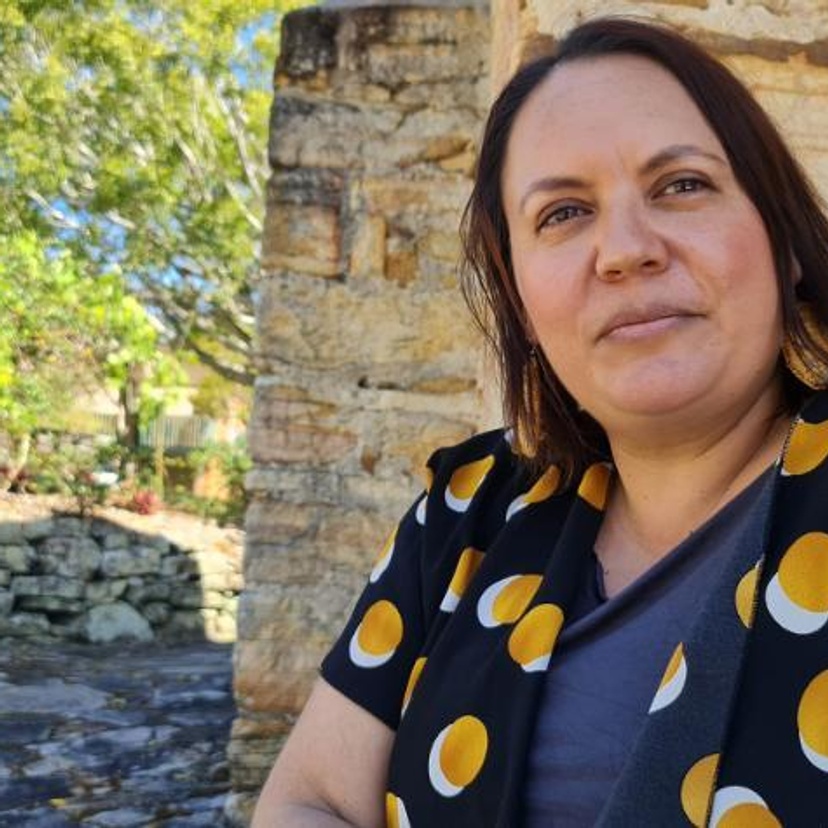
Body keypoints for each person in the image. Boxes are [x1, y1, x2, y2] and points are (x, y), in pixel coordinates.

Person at [253, 17, 828, 827]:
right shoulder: (467, 512)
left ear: (785, 239)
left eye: (682, 185)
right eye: (562, 213)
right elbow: (306, 800)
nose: (625, 249)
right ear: (521, 299)